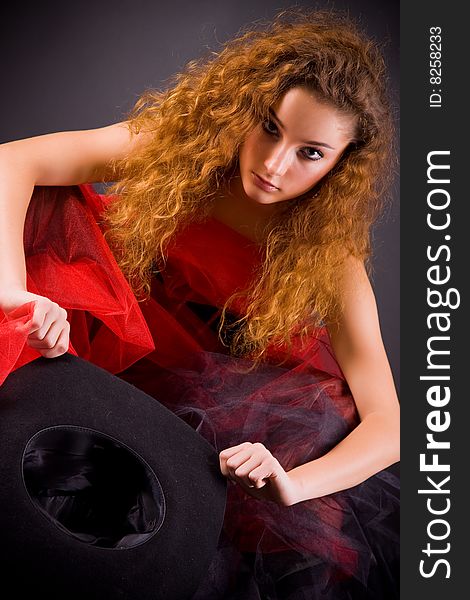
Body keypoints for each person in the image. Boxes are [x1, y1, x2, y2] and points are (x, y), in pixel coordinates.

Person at [0, 9, 399, 599]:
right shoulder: (185, 152)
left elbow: (390, 424)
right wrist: (17, 297)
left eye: (310, 153)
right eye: (269, 127)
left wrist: (292, 482)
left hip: (209, 404)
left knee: (295, 439)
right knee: (46, 210)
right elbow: (14, 161)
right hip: (113, 327)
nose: (273, 164)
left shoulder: (332, 260)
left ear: (341, 166)